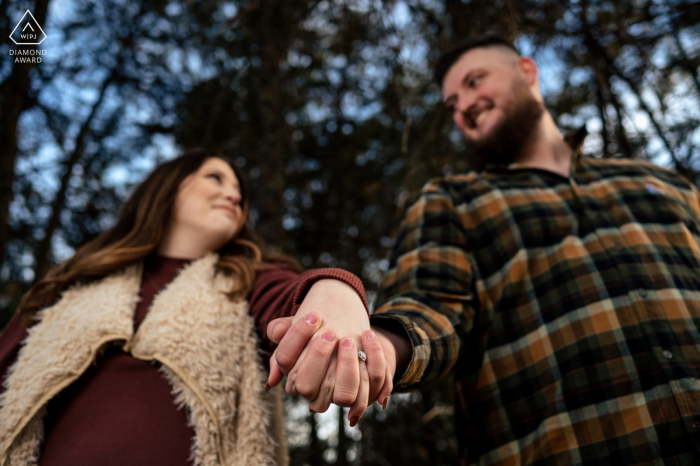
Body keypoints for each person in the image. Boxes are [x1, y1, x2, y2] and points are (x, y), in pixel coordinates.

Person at [266, 35, 700, 464]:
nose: (464, 106)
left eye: (474, 82)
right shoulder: (454, 199)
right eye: (452, 103)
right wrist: (366, 344)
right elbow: (430, 308)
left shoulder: (661, 182)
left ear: (527, 72)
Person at [0, 150, 381, 466]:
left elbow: (291, 296)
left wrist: (334, 291)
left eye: (239, 192)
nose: (234, 195)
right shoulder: (71, 283)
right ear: (166, 188)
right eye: (215, 178)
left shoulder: (245, 278)